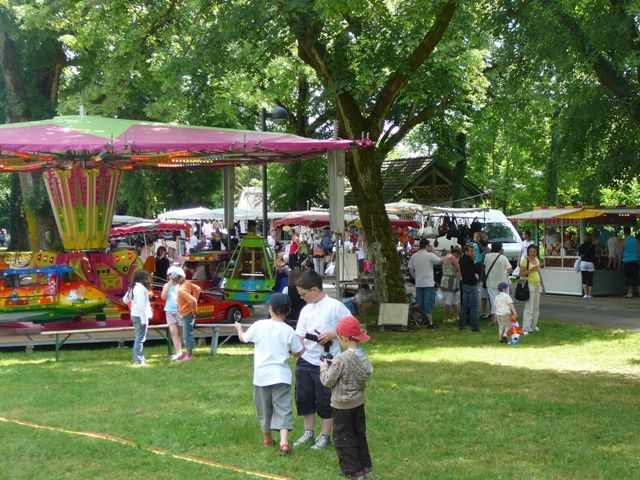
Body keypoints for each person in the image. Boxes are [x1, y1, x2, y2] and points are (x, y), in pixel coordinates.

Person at [234, 294, 304, 456]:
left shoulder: (259, 325)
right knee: (283, 408)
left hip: (262, 376)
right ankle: (284, 442)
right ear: (288, 311)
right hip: (281, 376)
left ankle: (267, 439)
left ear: (270, 309)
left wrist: (238, 328)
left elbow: (243, 338)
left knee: (264, 409)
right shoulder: (288, 330)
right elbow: (298, 352)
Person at [293, 269, 352, 450]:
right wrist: (297, 349)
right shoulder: (306, 310)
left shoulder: (336, 306)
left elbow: (352, 327)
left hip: (328, 360)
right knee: (303, 397)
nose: (302, 297)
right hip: (306, 360)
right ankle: (308, 432)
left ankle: (325, 435)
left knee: (325, 399)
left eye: (303, 294)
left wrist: (333, 333)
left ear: (314, 290)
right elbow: (300, 335)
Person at [320, 315, 373, 479]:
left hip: (342, 406)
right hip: (358, 403)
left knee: (344, 439)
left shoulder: (341, 359)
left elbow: (328, 381)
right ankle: (365, 468)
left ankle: (353, 472)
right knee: (359, 435)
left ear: (342, 338)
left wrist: (323, 367)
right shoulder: (363, 355)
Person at [407, 238, 442, 328]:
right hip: (428, 283)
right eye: (429, 245)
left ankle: (419, 320)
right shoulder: (430, 255)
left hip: (419, 283)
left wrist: (415, 278)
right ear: (426, 246)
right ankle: (430, 323)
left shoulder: (414, 256)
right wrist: (433, 250)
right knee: (428, 302)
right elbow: (441, 261)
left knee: (419, 303)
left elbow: (410, 269)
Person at [123, 270, 153, 365]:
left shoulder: (133, 287)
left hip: (134, 315)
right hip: (140, 316)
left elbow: (125, 300)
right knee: (140, 338)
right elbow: (142, 306)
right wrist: (144, 320)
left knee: (139, 337)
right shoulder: (141, 289)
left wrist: (133, 303)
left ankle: (141, 357)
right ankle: (137, 359)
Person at [483, 241, 513, 325]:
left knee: (493, 301)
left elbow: (485, 265)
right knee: (504, 301)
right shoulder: (503, 257)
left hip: (491, 282)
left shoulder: (487, 256)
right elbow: (510, 269)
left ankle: (494, 319)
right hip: (502, 283)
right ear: (500, 248)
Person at [175, 271, 201, 361]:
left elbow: (193, 301)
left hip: (187, 314)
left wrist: (194, 310)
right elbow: (197, 289)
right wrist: (194, 300)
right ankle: (187, 354)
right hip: (187, 312)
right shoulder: (187, 283)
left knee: (187, 335)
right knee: (187, 333)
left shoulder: (181, 290)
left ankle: (189, 356)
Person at [519, 244, 545, 333]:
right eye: (531, 251)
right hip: (529, 285)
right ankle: (526, 327)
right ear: (528, 252)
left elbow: (539, 273)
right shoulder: (525, 261)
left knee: (536, 307)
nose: (533, 253)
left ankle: (533, 325)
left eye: (534, 252)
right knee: (529, 307)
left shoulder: (537, 260)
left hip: (537, 284)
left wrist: (543, 285)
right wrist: (530, 270)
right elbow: (521, 273)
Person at [161, 266, 184, 360]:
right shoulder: (167, 285)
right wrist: (168, 286)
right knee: (173, 332)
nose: (171, 277)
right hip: (170, 310)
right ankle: (178, 352)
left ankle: (181, 350)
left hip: (180, 310)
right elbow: (163, 297)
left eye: (173, 274)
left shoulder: (182, 285)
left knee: (181, 331)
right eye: (170, 275)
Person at [459, 244, 480, 332]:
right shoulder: (469, 260)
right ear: (466, 251)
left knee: (464, 306)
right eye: (471, 251)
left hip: (464, 284)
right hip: (471, 285)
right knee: (474, 306)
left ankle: (462, 324)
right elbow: (475, 270)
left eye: (473, 251)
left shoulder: (461, 259)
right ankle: (474, 325)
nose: (473, 253)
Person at [440, 246, 461, 323]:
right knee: (449, 299)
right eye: (458, 255)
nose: (458, 257)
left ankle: (456, 316)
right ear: (456, 253)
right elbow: (458, 268)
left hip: (445, 279)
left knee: (454, 299)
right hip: (451, 279)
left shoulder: (445, 257)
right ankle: (445, 318)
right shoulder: (452, 258)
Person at [617, 226, 640, 298]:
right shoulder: (636, 240)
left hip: (626, 262)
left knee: (628, 277)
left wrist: (618, 264)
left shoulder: (623, 241)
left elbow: (619, 253)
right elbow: (639, 251)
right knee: (637, 277)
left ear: (624, 232)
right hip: (635, 261)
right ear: (630, 231)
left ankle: (630, 293)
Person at [578, 234, 597, 298]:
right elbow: (594, 254)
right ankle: (589, 294)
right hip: (590, 263)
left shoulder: (582, 246)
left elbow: (579, 254)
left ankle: (585, 294)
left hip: (583, 263)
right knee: (590, 278)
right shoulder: (593, 246)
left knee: (584, 278)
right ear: (591, 238)